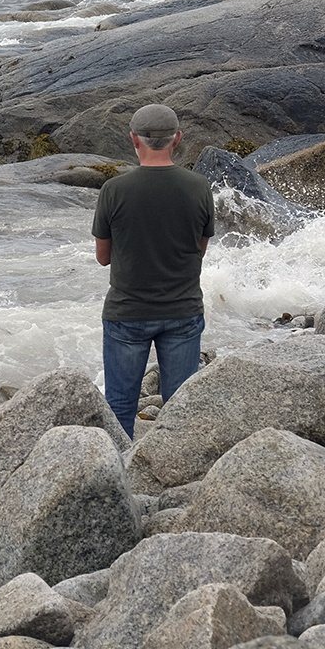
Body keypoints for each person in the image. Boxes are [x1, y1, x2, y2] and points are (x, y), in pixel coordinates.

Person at [90, 104, 215, 439]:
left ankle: (121, 476)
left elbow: (103, 257)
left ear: (134, 139)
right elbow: (199, 250)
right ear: (177, 139)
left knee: (119, 404)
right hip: (182, 311)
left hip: (127, 313)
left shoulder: (114, 190)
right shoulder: (199, 186)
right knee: (179, 406)